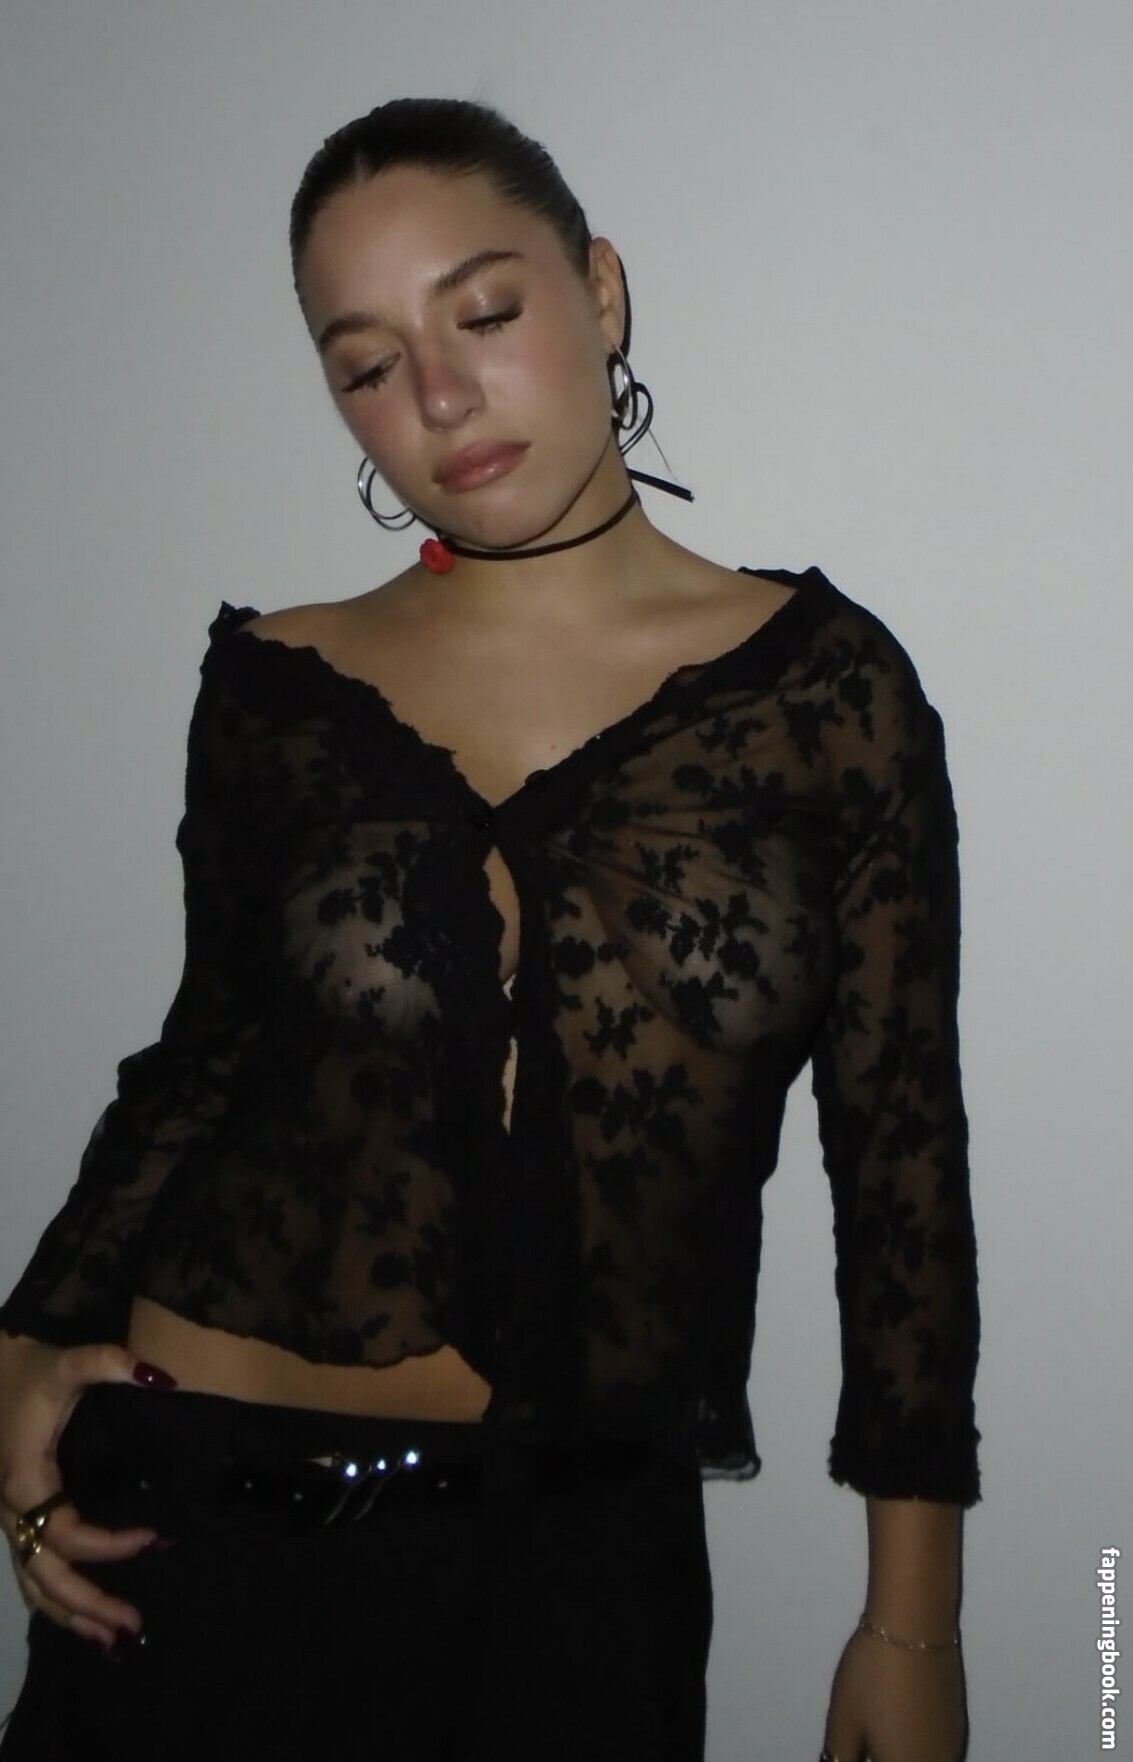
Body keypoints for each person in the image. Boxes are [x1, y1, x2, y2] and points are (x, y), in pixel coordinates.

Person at [0, 97, 981, 1762]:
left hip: (576, 1574)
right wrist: (24, 1339)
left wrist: (912, 1620)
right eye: (366, 364)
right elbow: (205, 1053)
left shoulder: (829, 695)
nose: (438, 397)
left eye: (484, 312)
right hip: (198, 1534)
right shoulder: (279, 685)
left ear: (598, 290)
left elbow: (901, 1171)